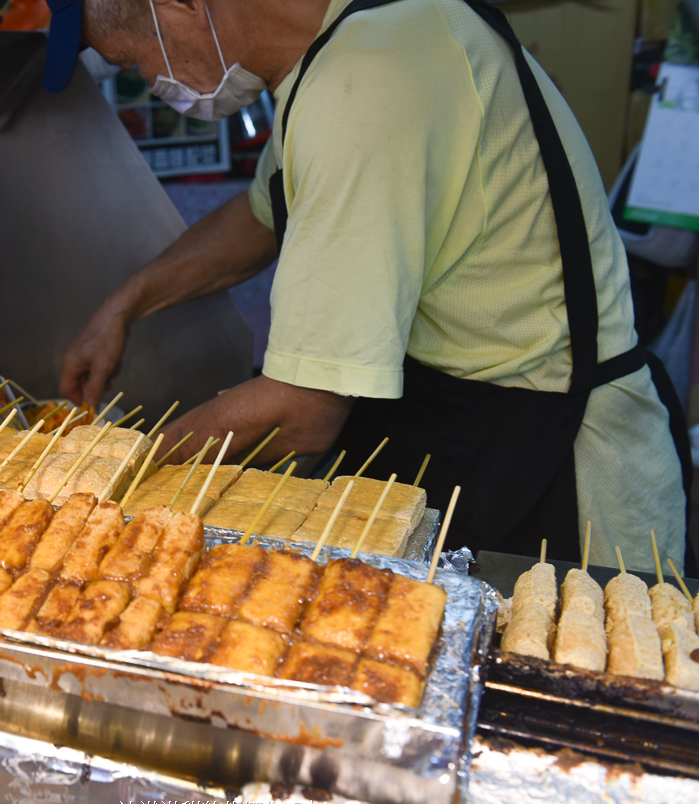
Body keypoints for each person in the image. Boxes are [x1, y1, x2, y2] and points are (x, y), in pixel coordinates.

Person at [42, 0, 691, 569]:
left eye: (133, 61)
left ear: (181, 5)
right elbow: (267, 213)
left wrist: (124, 462)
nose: (153, 84)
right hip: (473, 419)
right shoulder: (348, 39)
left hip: (558, 472)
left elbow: (303, 412)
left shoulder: (366, 77)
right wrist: (125, 305)